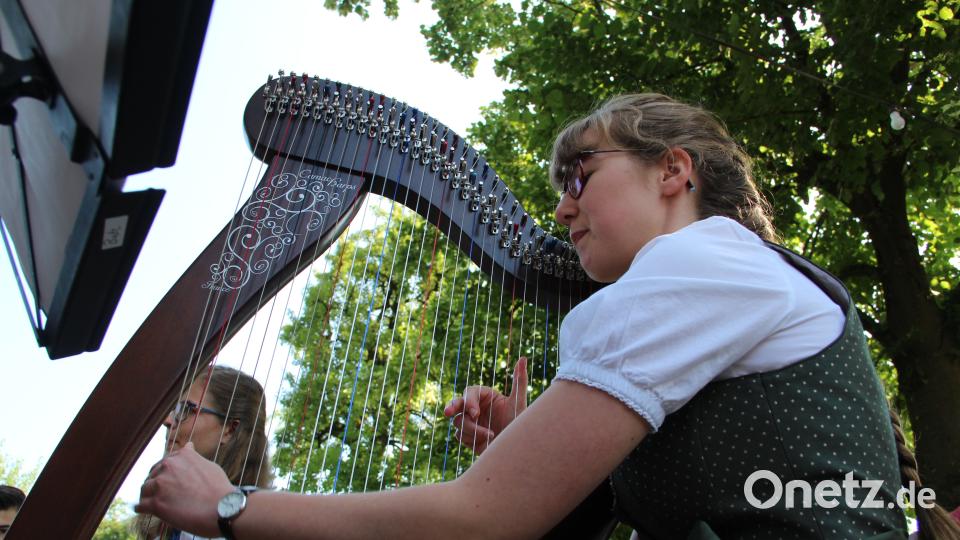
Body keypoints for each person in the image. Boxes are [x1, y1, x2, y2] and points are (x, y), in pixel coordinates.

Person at [137, 93, 960, 539]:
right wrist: (544, 450)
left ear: (673, 170)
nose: (562, 209)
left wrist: (232, 506)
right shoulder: (730, 282)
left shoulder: (698, 259)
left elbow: (484, 518)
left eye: (578, 175)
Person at [134, 365, 274, 539]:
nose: (168, 420)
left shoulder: (249, 526)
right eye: (173, 409)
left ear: (229, 429)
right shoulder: (170, 514)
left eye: (185, 409)